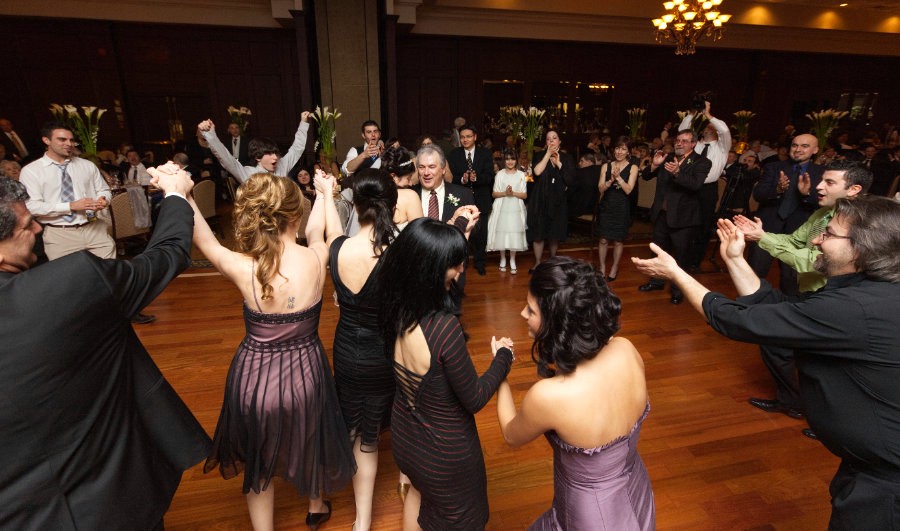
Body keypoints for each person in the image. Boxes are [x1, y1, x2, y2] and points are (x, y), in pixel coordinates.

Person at [633, 196, 900, 530]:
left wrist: (676, 273)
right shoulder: (864, 292)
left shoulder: (856, 310)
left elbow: (737, 322)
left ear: (864, 248)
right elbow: (774, 311)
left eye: (828, 234)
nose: (816, 239)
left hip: (888, 486)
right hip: (868, 467)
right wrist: (735, 260)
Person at [0, 167, 211, 529]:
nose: (37, 230)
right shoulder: (72, 283)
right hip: (112, 503)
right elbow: (166, 256)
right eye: (27, 224)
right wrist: (175, 195)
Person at [191, 171, 355, 531]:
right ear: (295, 216)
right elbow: (321, 232)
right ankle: (316, 505)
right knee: (309, 438)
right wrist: (326, 194)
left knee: (258, 457)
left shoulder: (244, 266)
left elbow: (207, 243)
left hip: (254, 378)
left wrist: (183, 195)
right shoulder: (316, 258)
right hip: (306, 375)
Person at [497, 257, 655, 530]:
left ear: (558, 322)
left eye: (531, 310)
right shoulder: (626, 349)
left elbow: (511, 435)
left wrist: (499, 372)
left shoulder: (551, 396)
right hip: (636, 489)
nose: (523, 314)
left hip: (589, 517)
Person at [376, 215, 513, 531]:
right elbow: (475, 398)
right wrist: (503, 358)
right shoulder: (442, 327)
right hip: (444, 452)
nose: (461, 270)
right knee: (464, 520)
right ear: (429, 268)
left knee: (418, 496)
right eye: (454, 264)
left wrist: (459, 227)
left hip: (407, 438)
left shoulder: (393, 304)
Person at [732, 160, 873, 436]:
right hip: (809, 294)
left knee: (827, 365)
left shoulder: (860, 222)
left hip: (836, 297)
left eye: (829, 182)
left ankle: (827, 423)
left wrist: (763, 240)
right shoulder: (823, 215)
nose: (819, 186)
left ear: (854, 189)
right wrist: (761, 235)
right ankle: (793, 402)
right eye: (822, 180)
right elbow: (796, 242)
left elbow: (814, 262)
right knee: (777, 343)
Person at [323, 169, 403, 530]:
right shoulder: (398, 250)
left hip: (346, 351)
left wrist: (325, 195)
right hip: (385, 354)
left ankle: (362, 523)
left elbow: (331, 231)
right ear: (392, 203)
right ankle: (406, 479)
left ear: (355, 205)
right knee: (393, 421)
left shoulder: (337, 248)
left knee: (359, 436)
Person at [19, 121, 115, 261]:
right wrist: (70, 206)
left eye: (71, 140)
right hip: (60, 235)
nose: (69, 144)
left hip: (95, 228)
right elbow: (32, 207)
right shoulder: (31, 171)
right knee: (71, 280)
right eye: (62, 139)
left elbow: (104, 190)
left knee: (109, 274)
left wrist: (103, 199)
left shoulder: (87, 165)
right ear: (46, 140)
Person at [637, 129, 711, 304]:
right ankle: (656, 281)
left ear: (693, 144)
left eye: (684, 141)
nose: (679, 143)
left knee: (681, 256)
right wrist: (654, 165)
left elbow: (695, 185)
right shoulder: (668, 158)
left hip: (683, 218)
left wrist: (678, 173)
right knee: (658, 252)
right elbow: (646, 176)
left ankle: (678, 291)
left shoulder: (702, 162)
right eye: (678, 140)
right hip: (662, 215)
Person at [748, 133, 824, 296]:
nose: (798, 150)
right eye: (795, 145)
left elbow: (823, 203)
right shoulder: (774, 167)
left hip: (799, 232)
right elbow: (758, 194)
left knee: (791, 280)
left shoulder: (822, 173)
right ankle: (746, 311)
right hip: (767, 229)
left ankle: (785, 315)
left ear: (815, 150)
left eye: (804, 146)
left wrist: (806, 193)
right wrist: (777, 189)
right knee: (754, 274)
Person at [197, 112, 311, 184]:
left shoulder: (282, 165)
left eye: (275, 153)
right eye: (270, 154)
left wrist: (304, 123)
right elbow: (226, 158)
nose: (275, 158)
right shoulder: (249, 174)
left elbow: (297, 148)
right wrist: (210, 134)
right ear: (258, 157)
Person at [448, 125, 495, 275]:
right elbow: (450, 178)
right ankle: (462, 262)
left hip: (481, 199)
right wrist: (463, 178)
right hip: (461, 200)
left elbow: (490, 176)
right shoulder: (454, 154)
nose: (465, 139)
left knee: (481, 234)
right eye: (462, 137)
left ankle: (480, 263)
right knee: (462, 232)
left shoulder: (485, 154)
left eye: (468, 136)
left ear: (475, 137)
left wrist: (477, 178)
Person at [528, 130, 575, 269]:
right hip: (540, 199)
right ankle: (538, 262)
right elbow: (537, 172)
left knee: (555, 232)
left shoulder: (567, 158)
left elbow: (570, 179)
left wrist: (559, 163)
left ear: (559, 141)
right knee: (538, 233)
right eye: (548, 139)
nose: (552, 141)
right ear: (546, 142)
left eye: (555, 138)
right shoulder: (539, 155)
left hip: (558, 201)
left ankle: (553, 261)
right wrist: (548, 155)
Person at [593, 140, 638, 281]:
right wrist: (610, 180)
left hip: (622, 207)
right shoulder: (606, 166)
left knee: (618, 241)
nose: (619, 152)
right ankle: (602, 267)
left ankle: (614, 267)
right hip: (606, 206)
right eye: (617, 148)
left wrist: (618, 177)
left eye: (623, 149)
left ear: (628, 152)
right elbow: (600, 188)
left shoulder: (633, 167)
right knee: (603, 239)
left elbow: (629, 190)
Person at [486, 148, 527, 274]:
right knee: (501, 233)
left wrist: (513, 193)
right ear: (504, 161)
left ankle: (512, 260)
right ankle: (503, 258)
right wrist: (505, 193)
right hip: (501, 206)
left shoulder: (521, 174)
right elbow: (494, 193)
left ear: (516, 160)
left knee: (514, 232)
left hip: (515, 208)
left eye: (512, 159)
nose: (510, 162)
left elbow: (524, 195)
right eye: (507, 159)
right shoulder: (500, 174)